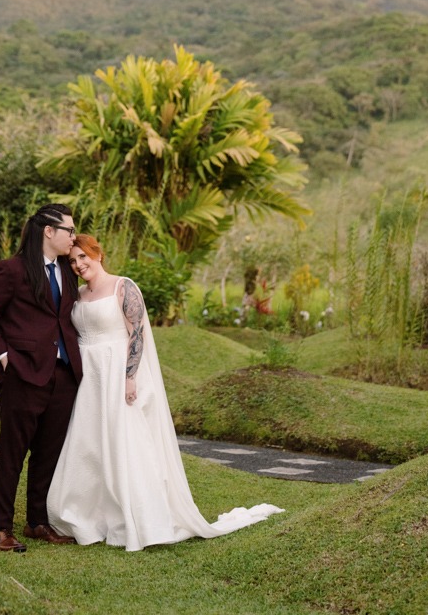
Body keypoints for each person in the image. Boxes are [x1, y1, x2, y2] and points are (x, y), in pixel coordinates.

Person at [47, 234, 283, 551]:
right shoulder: (77, 295)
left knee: (125, 442)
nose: (78, 265)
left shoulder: (123, 286)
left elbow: (137, 333)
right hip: (89, 379)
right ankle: (92, 515)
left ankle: (139, 517)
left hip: (117, 372)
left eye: (83, 257)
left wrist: (129, 376)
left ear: (98, 254)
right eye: (73, 261)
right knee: (90, 445)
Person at [0, 203, 83, 553]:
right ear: (49, 232)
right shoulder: (12, 270)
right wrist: (5, 358)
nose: (73, 236)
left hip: (63, 377)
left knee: (49, 453)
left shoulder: (67, 270)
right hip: (22, 376)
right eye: (69, 230)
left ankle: (37, 522)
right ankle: (0, 528)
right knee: (12, 452)